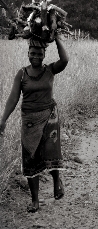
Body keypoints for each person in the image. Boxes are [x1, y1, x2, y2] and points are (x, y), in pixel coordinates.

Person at [0, 36, 69, 213]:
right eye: (32, 53)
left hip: (49, 116)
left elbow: (65, 60)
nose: (35, 56)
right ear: (28, 54)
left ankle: (56, 182)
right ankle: (35, 201)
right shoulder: (22, 73)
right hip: (29, 121)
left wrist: (57, 37)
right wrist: (3, 119)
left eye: (39, 53)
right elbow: (13, 98)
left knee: (50, 152)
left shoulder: (50, 70)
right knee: (30, 158)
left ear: (44, 54)